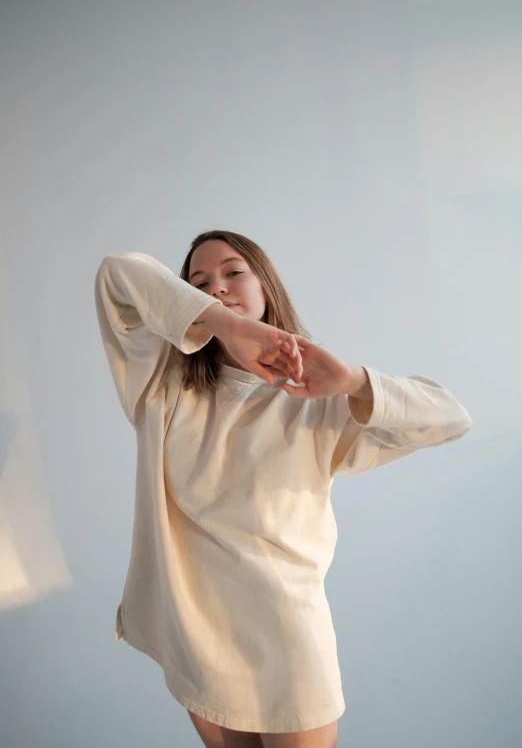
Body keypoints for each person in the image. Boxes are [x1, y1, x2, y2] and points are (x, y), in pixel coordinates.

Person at [94, 229, 472, 748]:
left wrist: (355, 382)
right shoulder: (161, 386)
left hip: (287, 628)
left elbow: (451, 418)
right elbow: (117, 273)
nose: (217, 287)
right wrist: (224, 322)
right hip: (197, 627)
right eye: (199, 283)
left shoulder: (314, 396)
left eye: (233, 273)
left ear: (266, 285)